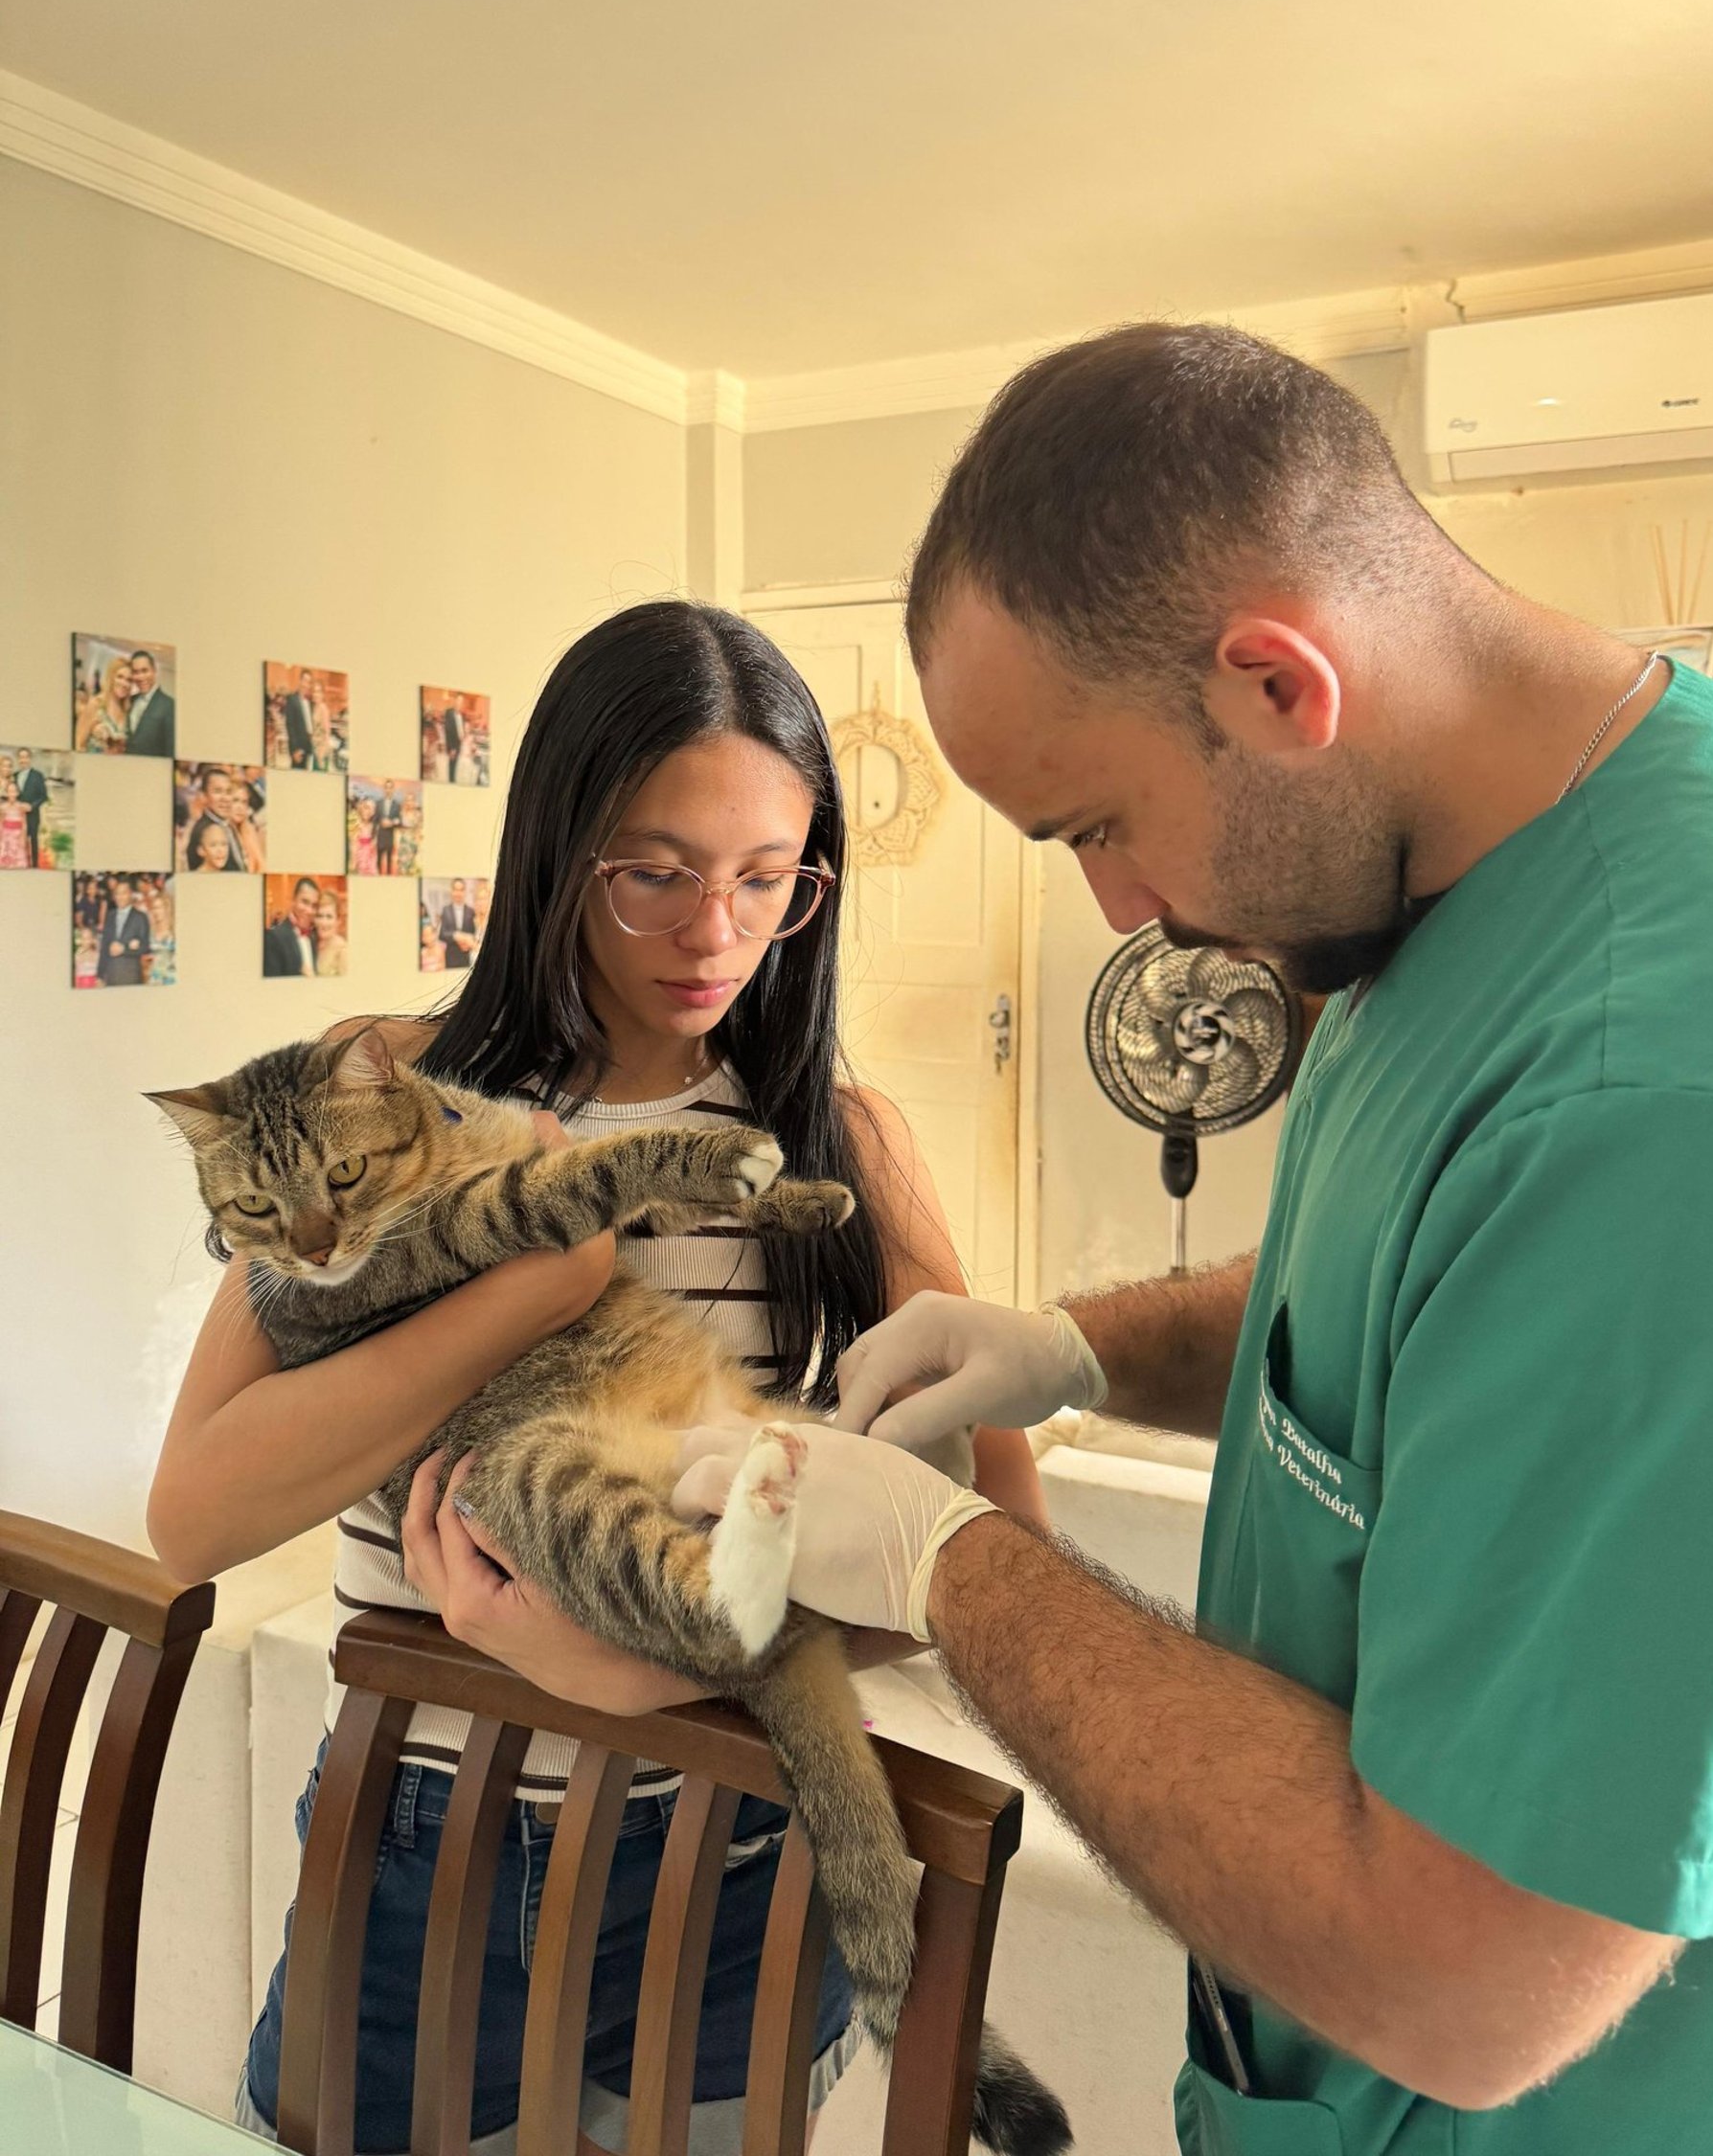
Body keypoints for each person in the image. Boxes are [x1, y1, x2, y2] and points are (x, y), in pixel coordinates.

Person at [673, 324, 1713, 2156]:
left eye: (1101, 824)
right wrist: (1073, 1343)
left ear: (1283, 686)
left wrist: (947, 1565)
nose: (1124, 910)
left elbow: (1470, 1981)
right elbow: (1413, 1301)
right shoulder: (1451, 874)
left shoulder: (1674, 1104)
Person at [147, 600, 1045, 2155]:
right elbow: (193, 1520)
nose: (716, 935)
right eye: (655, 872)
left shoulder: (849, 1146)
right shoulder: (383, 1097)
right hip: (428, 1846)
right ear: (556, 850)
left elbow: (985, 1552)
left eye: (768, 878)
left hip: (737, 1849)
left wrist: (647, 1672)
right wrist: (528, 1294)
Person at [98, 874, 150, 986]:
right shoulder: (110, 916)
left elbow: (145, 947)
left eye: (124, 893)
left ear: (131, 894)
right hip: (111, 975)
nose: (120, 897)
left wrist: (124, 949)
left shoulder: (140, 917)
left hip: (130, 976)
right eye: (117, 893)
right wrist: (100, 975)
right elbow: (104, 946)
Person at [263, 877, 320, 978]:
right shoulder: (273, 937)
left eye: (314, 905)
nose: (310, 910)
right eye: (305, 902)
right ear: (293, 900)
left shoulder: (314, 937)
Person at [124, 648, 176, 758]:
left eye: (145, 671)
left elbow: (170, 751)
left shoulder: (169, 705)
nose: (140, 677)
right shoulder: (129, 700)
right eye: (135, 672)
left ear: (154, 670)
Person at [76, 656, 134, 754]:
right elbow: (78, 742)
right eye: (120, 677)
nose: (124, 683)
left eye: (129, 680)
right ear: (111, 677)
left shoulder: (127, 711)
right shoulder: (96, 704)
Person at [12, 749, 49, 867]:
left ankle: (34, 866)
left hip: (32, 815)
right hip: (17, 815)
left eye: (26, 757)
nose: (23, 760)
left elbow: (43, 796)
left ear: (30, 759)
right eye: (21, 757)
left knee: (33, 841)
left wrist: (32, 806)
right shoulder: (15, 776)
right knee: (18, 841)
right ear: (18, 759)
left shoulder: (38, 775)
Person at [437, 875, 477, 970]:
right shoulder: (445, 910)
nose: (458, 893)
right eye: (456, 890)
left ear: (464, 892)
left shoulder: (471, 911)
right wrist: (455, 935)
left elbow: (475, 933)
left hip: (467, 957)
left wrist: (468, 942)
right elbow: (442, 935)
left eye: (461, 890)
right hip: (451, 958)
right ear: (452, 891)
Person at [311, 890, 349, 979]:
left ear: (338, 920)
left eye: (329, 917)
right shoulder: (311, 942)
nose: (323, 922)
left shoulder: (343, 950)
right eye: (319, 916)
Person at [284, 673, 317, 771]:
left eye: (309, 682)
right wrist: (294, 750)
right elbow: (290, 726)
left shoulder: (310, 702)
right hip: (298, 746)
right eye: (305, 681)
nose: (306, 685)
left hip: (308, 744)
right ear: (300, 681)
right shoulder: (292, 699)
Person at [375, 779, 404, 875]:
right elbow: (375, 819)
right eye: (386, 788)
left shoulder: (397, 805)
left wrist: (391, 823)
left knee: (389, 862)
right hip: (380, 836)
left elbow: (399, 821)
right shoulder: (378, 803)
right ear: (384, 789)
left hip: (390, 837)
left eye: (390, 788)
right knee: (378, 861)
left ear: (393, 789)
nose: (388, 790)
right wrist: (381, 822)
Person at [350, 795, 377, 877]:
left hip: (371, 860)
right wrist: (353, 862)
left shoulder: (373, 826)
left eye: (371, 809)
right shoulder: (356, 825)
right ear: (361, 808)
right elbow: (353, 845)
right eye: (366, 807)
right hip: (360, 858)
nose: (368, 811)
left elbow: (374, 844)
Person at [442, 696, 466, 783]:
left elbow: (461, 728)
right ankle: (451, 781)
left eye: (462, 702)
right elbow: (448, 731)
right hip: (452, 744)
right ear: (455, 701)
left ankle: (453, 780)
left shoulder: (461, 716)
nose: (460, 704)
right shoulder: (449, 713)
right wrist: (451, 748)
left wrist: (463, 735)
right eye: (458, 701)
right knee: (452, 764)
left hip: (459, 743)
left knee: (455, 764)